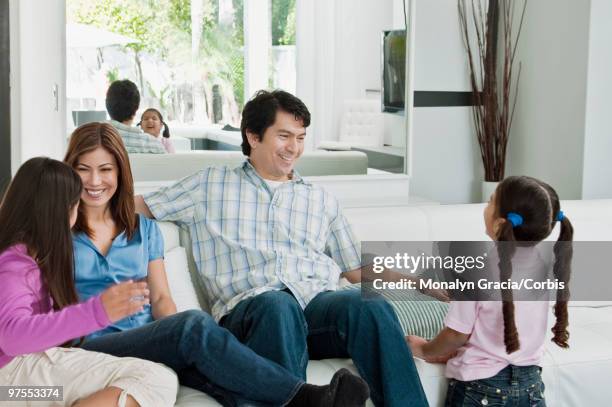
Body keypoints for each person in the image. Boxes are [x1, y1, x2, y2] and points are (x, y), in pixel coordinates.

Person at [135, 89, 430, 407]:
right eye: (284, 136)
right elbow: (137, 206)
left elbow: (356, 269)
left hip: (316, 310)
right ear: (253, 135)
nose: (294, 148)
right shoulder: (208, 184)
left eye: (301, 138)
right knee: (279, 304)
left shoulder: (319, 199)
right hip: (252, 315)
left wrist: (421, 281)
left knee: (369, 306)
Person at [65, 122, 370, 407]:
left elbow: (160, 299)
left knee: (233, 382)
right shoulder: (55, 231)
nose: (95, 180)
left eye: (105, 169)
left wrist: (169, 339)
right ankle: (307, 398)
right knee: (196, 324)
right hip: (92, 345)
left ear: (120, 173)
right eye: (83, 169)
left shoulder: (143, 230)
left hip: (147, 343)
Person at [0, 157, 178, 407]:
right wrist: (97, 312)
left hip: (21, 390)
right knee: (156, 378)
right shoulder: (15, 265)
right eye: (76, 205)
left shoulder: (29, 257)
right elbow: (12, 338)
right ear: (60, 210)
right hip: (12, 382)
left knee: (148, 379)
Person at [407, 176, 573, 407]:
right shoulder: (543, 269)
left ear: (499, 224)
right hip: (531, 385)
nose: (486, 205)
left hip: (479, 389)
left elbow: (456, 335)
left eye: (490, 201)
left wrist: (424, 348)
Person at [106, 79, 167, 154]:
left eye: (154, 118)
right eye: (146, 118)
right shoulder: (155, 147)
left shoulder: (90, 139)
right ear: (136, 109)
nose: (150, 121)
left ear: (107, 106)